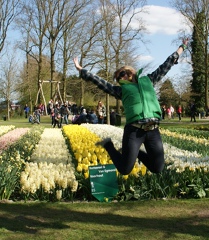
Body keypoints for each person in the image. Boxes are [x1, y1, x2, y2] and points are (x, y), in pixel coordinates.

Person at [74, 38, 189, 175]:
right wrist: (82, 70)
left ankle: (138, 154)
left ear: (130, 72)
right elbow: (101, 83)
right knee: (124, 169)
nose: (120, 79)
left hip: (153, 130)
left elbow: (167, 64)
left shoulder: (149, 80)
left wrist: (182, 47)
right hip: (134, 131)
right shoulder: (121, 90)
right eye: (117, 78)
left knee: (157, 168)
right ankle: (108, 145)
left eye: (121, 74)